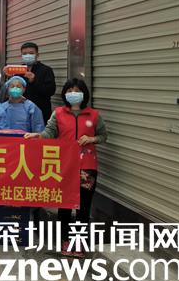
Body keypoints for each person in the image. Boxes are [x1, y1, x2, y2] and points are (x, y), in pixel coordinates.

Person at [25, 78, 107, 258]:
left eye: (77, 90)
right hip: (64, 166)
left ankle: (79, 242)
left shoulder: (93, 115)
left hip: (87, 167)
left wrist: (92, 139)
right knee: (64, 205)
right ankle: (65, 241)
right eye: (69, 90)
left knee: (83, 207)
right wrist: (38, 136)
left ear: (84, 93)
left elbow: (103, 135)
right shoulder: (58, 113)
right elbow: (49, 132)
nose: (73, 93)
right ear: (65, 94)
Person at [4, 42, 56, 124]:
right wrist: (9, 77)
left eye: (31, 53)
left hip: (41, 112)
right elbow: (11, 91)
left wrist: (34, 81)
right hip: (21, 114)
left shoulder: (46, 70)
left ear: (37, 55)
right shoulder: (18, 70)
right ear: (21, 55)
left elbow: (50, 91)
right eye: (24, 54)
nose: (28, 55)